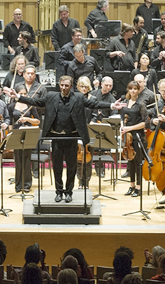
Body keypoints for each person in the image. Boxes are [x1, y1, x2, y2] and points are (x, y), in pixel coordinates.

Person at [8, 75, 118, 203]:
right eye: (62, 85)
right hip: (56, 136)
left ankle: (69, 191)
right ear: (59, 85)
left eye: (66, 85)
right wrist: (18, 97)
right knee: (57, 166)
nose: (64, 88)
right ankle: (59, 191)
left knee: (71, 166)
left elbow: (94, 104)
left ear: (71, 86)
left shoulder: (78, 97)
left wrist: (112, 105)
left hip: (72, 136)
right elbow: (36, 102)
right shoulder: (51, 96)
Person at [119, 81, 150, 198]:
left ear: (138, 90)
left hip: (137, 136)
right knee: (130, 161)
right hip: (127, 136)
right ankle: (131, 185)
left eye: (135, 88)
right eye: (131, 88)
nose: (133, 91)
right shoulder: (125, 102)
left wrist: (129, 128)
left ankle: (138, 187)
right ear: (128, 89)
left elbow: (145, 123)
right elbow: (122, 117)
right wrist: (122, 126)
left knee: (137, 162)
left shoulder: (141, 104)